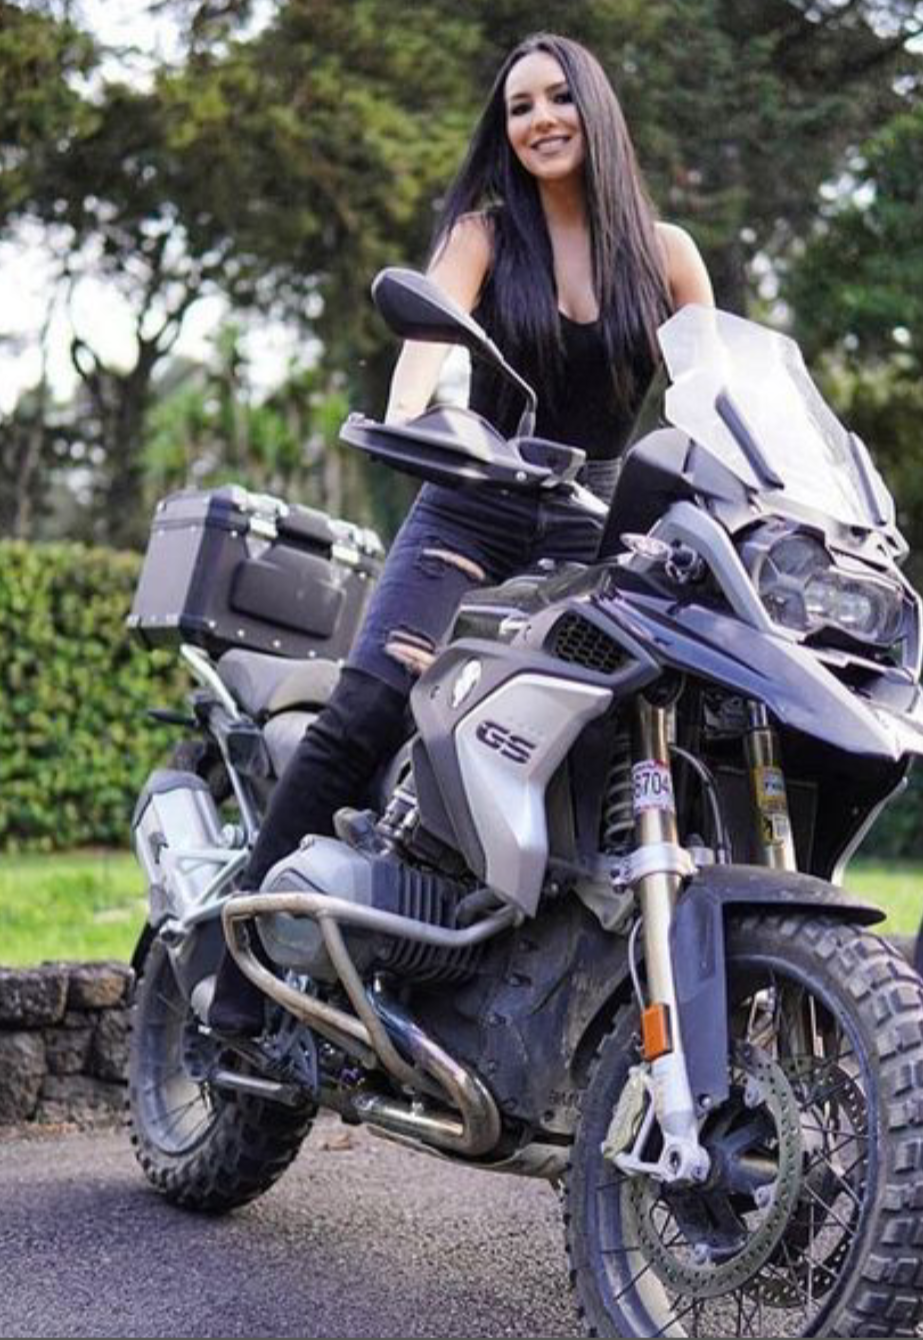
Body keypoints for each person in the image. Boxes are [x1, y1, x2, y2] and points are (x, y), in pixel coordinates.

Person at [208, 31, 714, 1034]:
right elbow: (426, 346)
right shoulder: (486, 234)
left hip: (592, 528)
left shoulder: (666, 255)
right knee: (369, 705)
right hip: (475, 495)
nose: (540, 120)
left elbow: (718, 391)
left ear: (595, 110)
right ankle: (238, 965)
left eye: (558, 98)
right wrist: (417, 420)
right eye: (520, 106)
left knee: (600, 742)